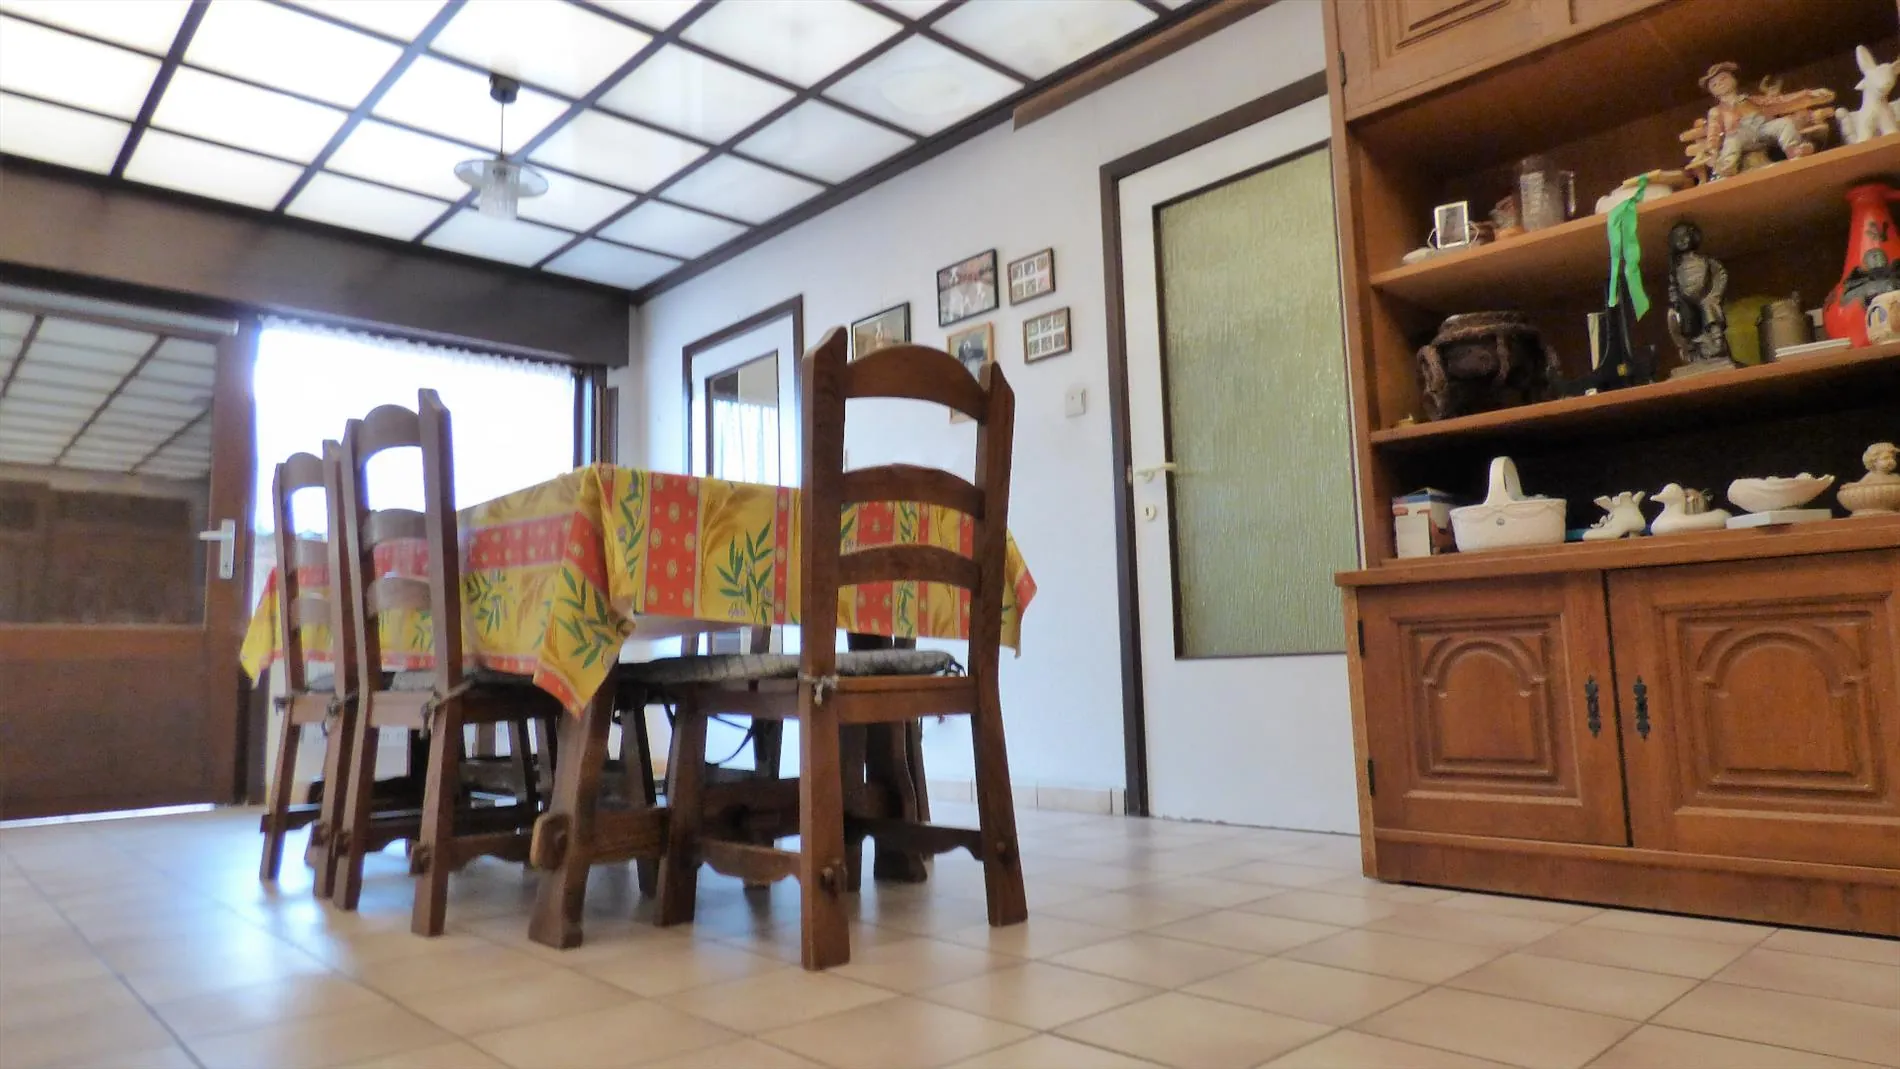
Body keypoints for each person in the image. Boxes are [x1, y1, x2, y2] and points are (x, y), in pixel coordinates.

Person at [1699, 62, 1818, 178]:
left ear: (1733, 79)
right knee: (1732, 139)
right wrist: (1712, 149)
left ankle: (1793, 150)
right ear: (1712, 92)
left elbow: (1778, 101)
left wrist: (1808, 93)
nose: (1720, 84)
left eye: (1723, 78)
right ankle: (1727, 166)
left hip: (1762, 129)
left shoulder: (1750, 99)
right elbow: (1713, 132)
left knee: (1784, 123)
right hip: (1741, 136)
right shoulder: (1716, 110)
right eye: (1714, 84)